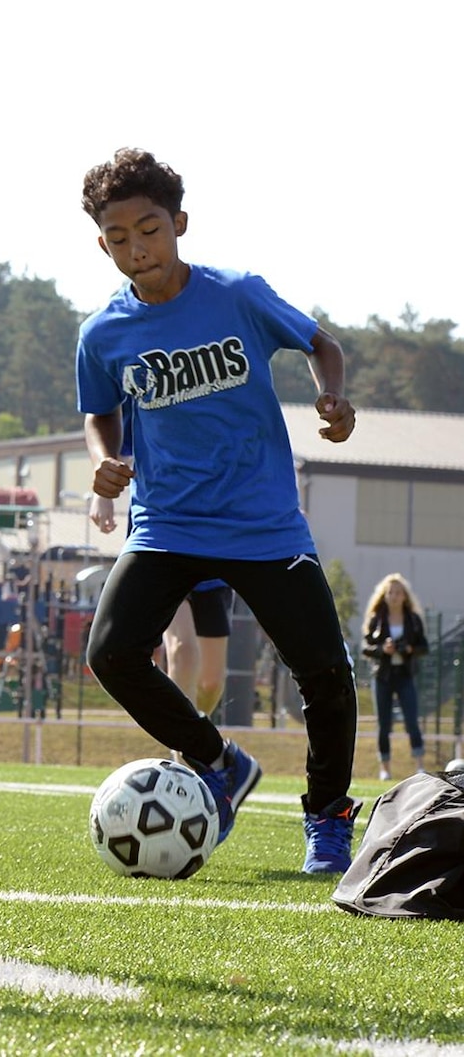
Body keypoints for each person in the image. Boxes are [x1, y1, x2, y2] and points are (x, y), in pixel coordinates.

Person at [76, 148, 361, 875]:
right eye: (118, 238)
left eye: (149, 229)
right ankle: (218, 763)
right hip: (167, 525)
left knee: (324, 674)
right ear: (101, 242)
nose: (137, 249)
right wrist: (102, 459)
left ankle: (327, 819)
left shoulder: (237, 294)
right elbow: (99, 414)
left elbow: (320, 344)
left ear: (179, 223)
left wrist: (332, 398)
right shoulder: (102, 333)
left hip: (262, 524)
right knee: (110, 654)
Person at [362, 573, 428, 783]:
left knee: (412, 720)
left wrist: (409, 648)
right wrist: (383, 649)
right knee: (383, 723)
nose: (394, 596)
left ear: (405, 596)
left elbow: (423, 647)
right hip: (383, 676)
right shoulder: (377, 618)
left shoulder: (413, 619)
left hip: (405, 675)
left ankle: (419, 766)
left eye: (398, 592)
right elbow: (366, 648)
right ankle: (385, 768)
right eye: (391, 592)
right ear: (384, 594)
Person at [159, 579, 232, 718]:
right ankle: (181, 734)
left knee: (210, 684)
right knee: (184, 652)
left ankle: (199, 729)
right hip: (170, 569)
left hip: (214, 576)